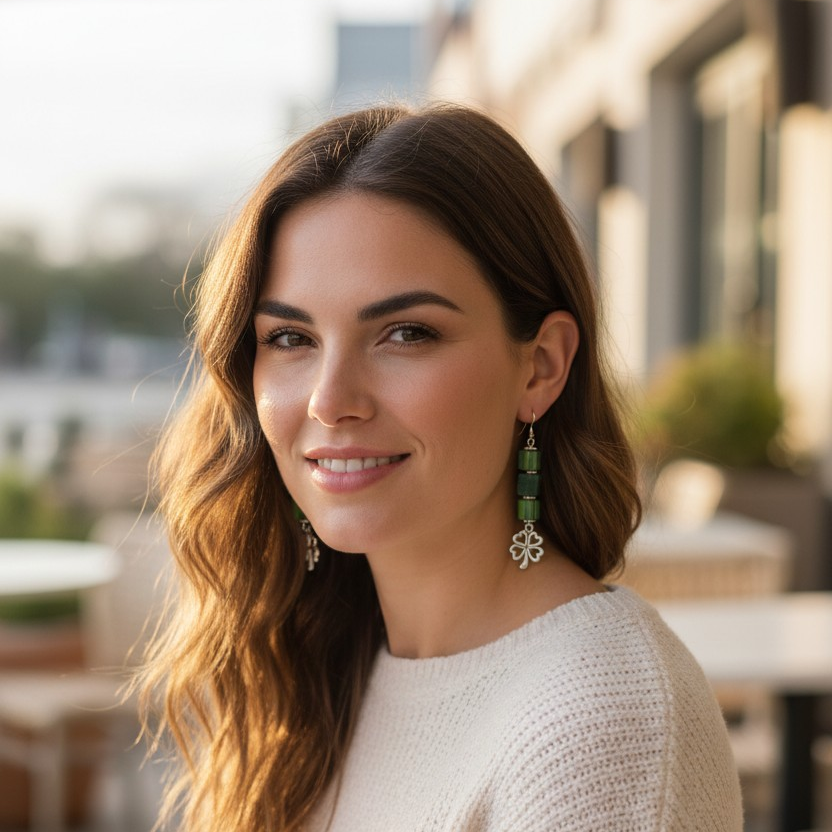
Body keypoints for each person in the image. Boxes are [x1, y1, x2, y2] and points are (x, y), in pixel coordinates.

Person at [142, 103, 743, 832]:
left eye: (406, 333)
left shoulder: (598, 729)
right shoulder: (329, 661)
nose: (330, 401)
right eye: (291, 337)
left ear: (540, 367)